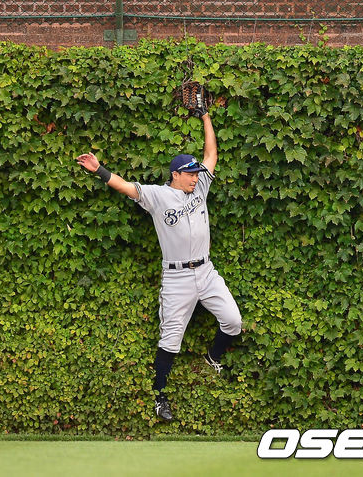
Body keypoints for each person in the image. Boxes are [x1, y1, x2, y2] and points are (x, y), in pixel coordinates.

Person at [76, 107, 242, 424]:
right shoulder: (157, 196)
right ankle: (159, 395)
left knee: (233, 321)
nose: (196, 177)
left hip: (206, 272)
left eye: (197, 173)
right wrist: (99, 170)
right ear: (176, 174)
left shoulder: (201, 188)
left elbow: (211, 155)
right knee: (170, 340)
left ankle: (213, 357)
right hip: (177, 278)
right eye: (190, 174)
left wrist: (205, 117)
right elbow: (126, 186)